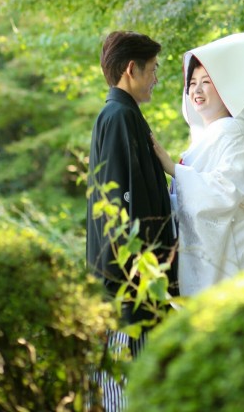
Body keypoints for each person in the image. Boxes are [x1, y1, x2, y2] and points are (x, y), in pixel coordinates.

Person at [151, 30, 244, 296]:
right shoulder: (207, 138)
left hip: (225, 270)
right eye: (192, 82)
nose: (196, 90)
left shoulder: (231, 133)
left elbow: (224, 192)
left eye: (206, 82)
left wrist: (172, 167)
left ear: (225, 89)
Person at [86, 30, 177, 340]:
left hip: (136, 281)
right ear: (131, 69)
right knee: (130, 382)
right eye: (152, 69)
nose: (155, 79)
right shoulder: (119, 116)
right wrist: (136, 277)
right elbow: (118, 207)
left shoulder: (123, 114)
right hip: (130, 284)